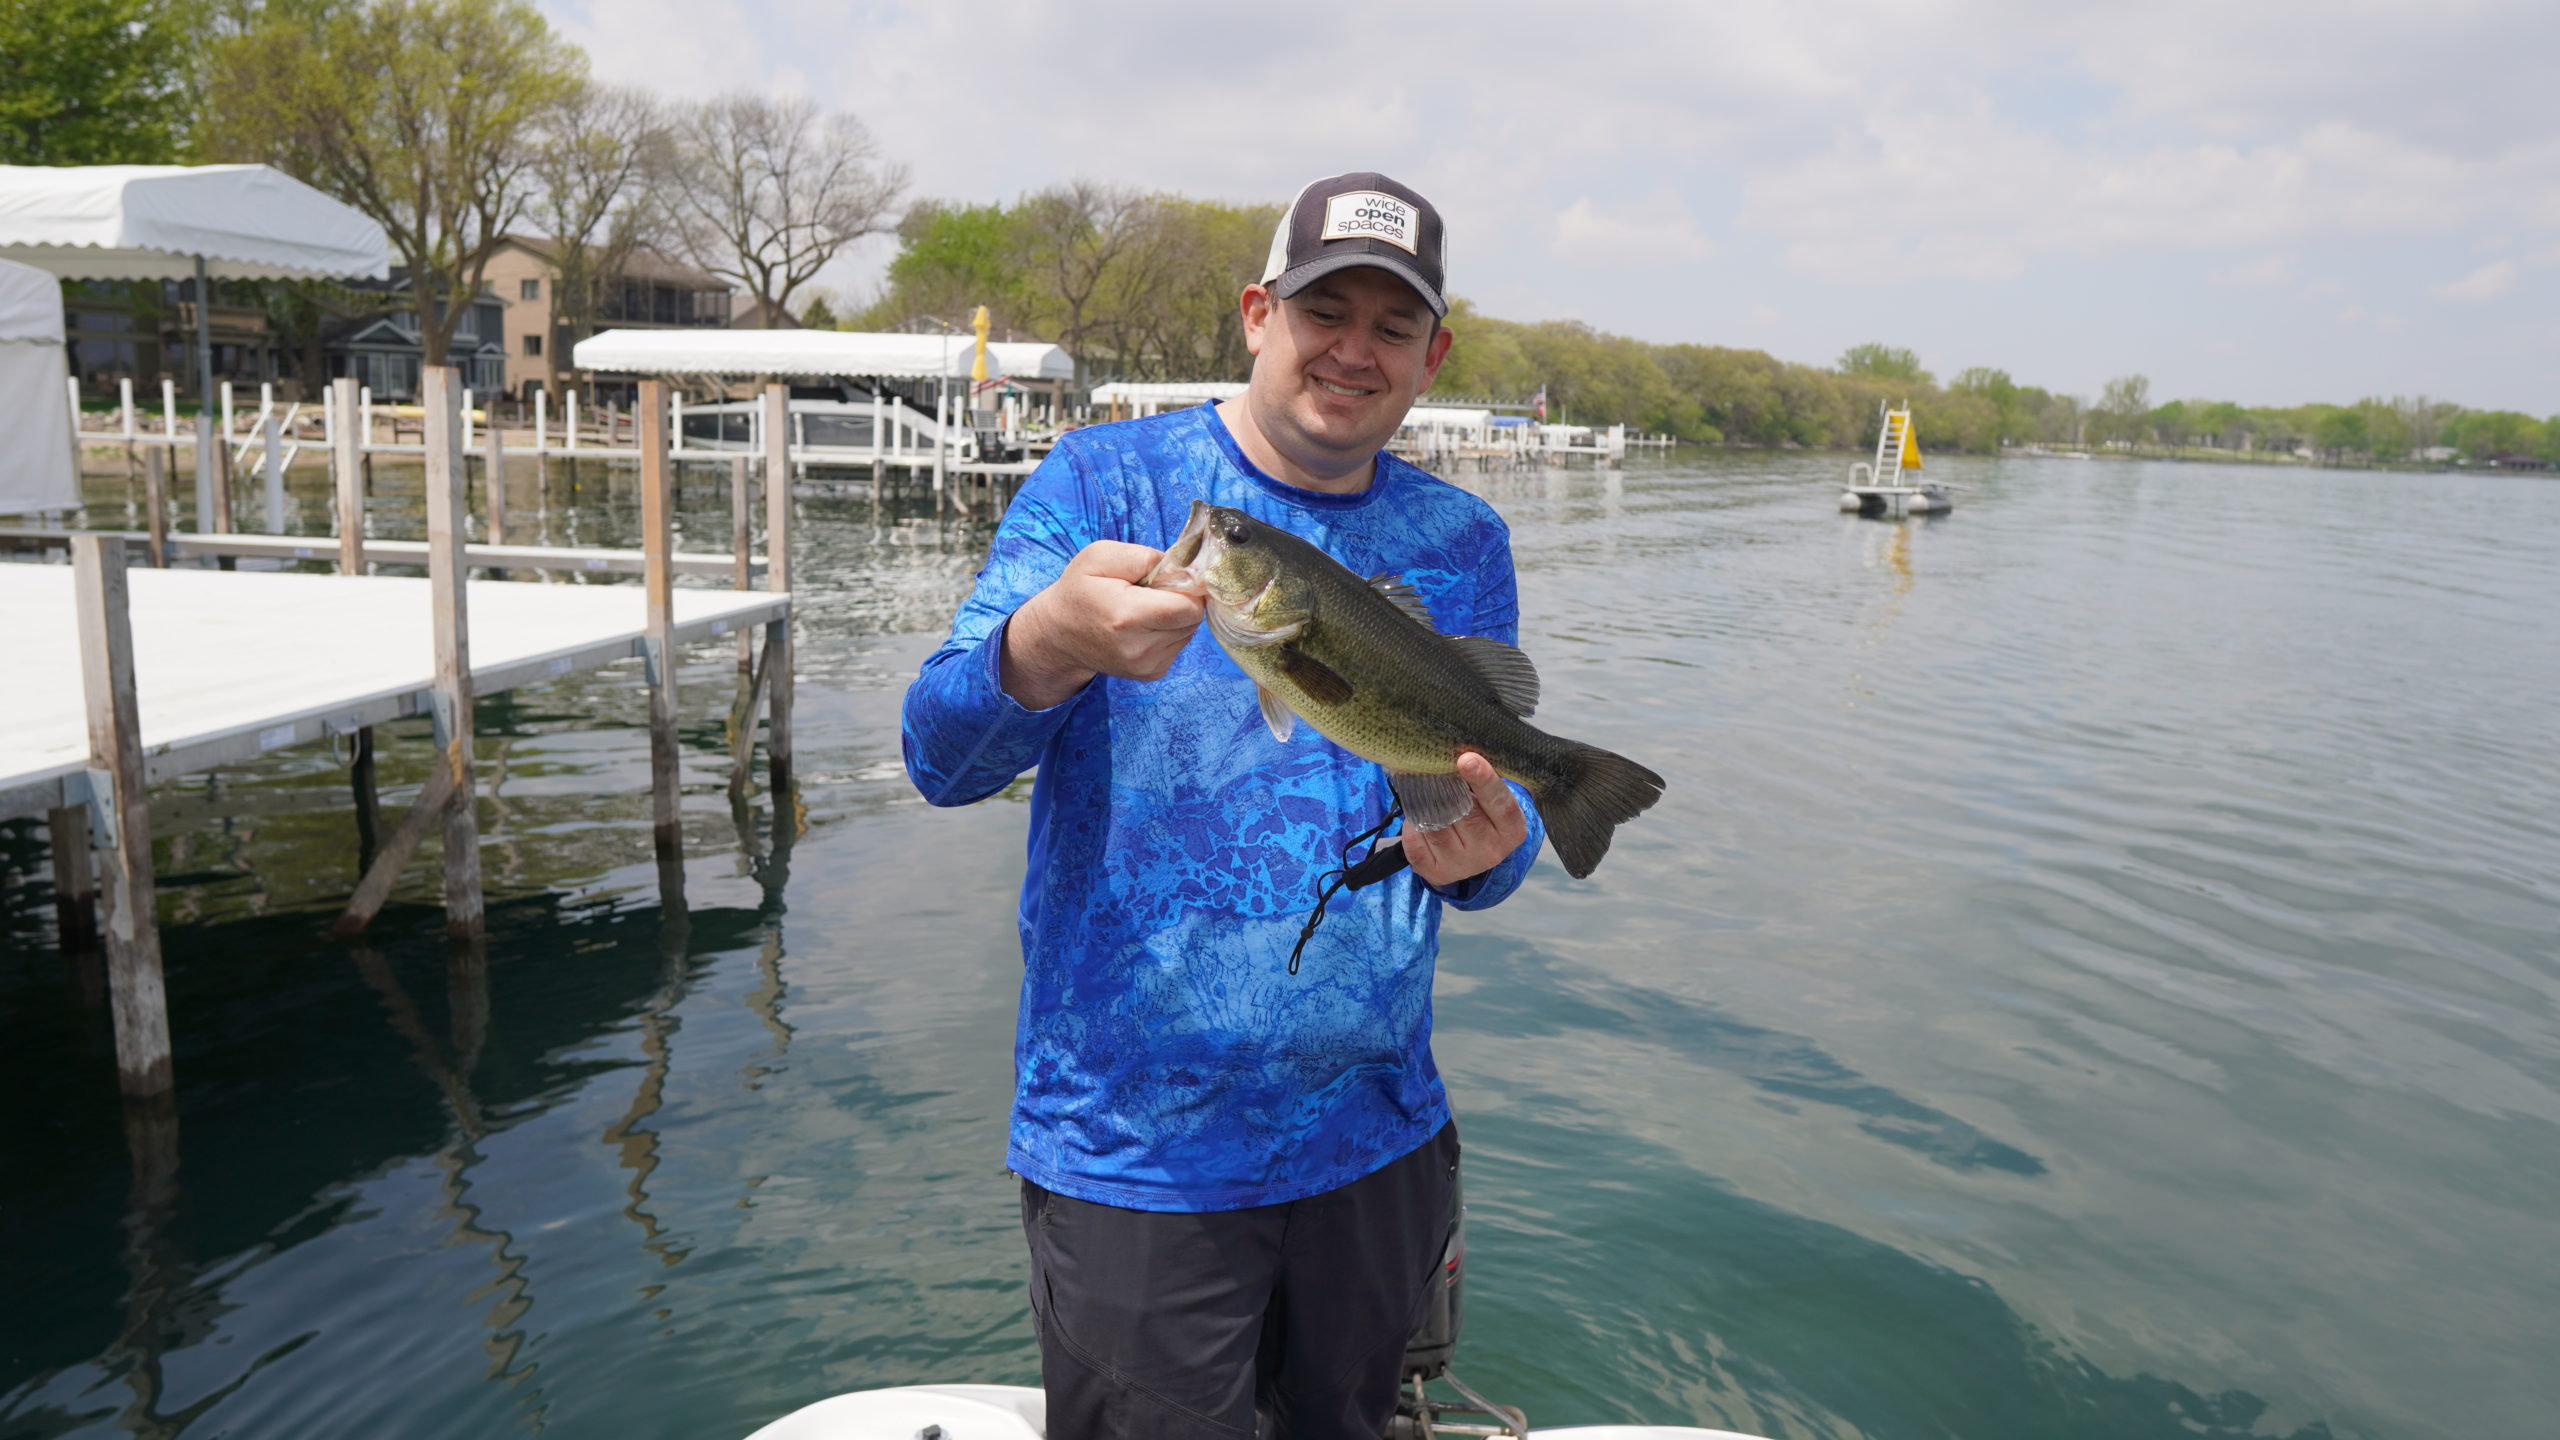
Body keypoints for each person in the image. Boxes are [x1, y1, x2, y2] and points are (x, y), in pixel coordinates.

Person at [902, 172, 1544, 1440]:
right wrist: (1044, 642)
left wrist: (1487, 860)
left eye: (1391, 324)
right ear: (1258, 312)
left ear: (1432, 355)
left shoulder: (1461, 541)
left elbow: (1469, 830)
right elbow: (940, 754)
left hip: (1377, 1141)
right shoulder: (1103, 484)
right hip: (1136, 1154)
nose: (1352, 350)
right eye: (1323, 310)